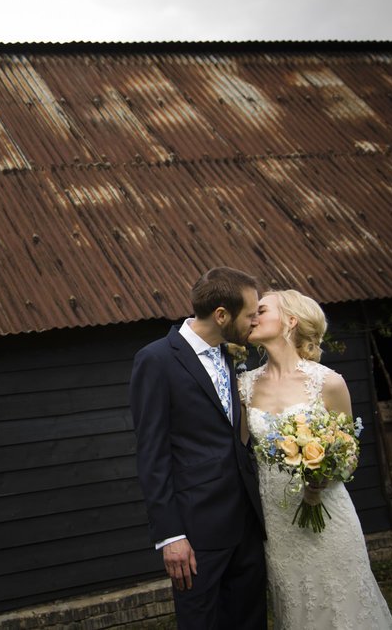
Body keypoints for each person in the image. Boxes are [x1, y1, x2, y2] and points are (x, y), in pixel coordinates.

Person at [240, 289, 392, 629]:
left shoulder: (328, 382)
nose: (251, 317)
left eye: (261, 310)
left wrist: (323, 474)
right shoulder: (244, 387)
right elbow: (240, 459)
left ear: (290, 321)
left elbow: (349, 455)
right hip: (278, 522)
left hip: (329, 516)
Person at [129, 267, 267, 630]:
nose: (256, 321)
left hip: (247, 526)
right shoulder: (156, 360)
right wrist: (170, 536)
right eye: (251, 314)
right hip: (197, 534)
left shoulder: (232, 354)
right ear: (222, 314)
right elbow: (152, 454)